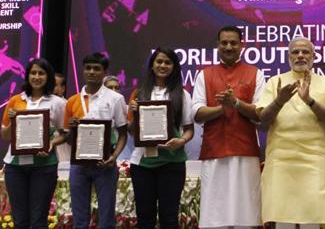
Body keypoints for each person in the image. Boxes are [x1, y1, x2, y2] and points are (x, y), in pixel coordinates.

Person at [256, 37, 325, 229]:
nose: (300, 55)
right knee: (283, 220)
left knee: (314, 218)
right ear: (289, 56)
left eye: (305, 52)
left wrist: (310, 100)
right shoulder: (275, 82)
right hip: (281, 161)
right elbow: (263, 119)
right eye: (296, 52)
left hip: (315, 161)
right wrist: (279, 101)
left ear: (313, 56)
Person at [192, 26, 265, 229]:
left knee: (246, 216)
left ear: (242, 45)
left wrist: (236, 104)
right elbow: (197, 113)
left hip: (245, 152)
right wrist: (221, 109)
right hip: (214, 151)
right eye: (224, 42)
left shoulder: (255, 73)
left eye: (233, 42)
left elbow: (260, 114)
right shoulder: (204, 75)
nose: (229, 47)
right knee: (215, 216)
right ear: (217, 45)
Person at [127, 48, 194, 229]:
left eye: (167, 62)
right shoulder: (138, 93)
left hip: (172, 163)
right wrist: (133, 113)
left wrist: (180, 141)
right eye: (159, 61)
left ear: (174, 67)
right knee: (144, 218)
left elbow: (189, 130)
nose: (162, 66)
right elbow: (132, 132)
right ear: (152, 65)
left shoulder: (183, 94)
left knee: (170, 218)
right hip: (142, 164)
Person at [63, 53, 128, 229]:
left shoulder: (115, 99)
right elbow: (68, 139)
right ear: (83, 70)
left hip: (105, 163)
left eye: (96, 68)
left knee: (106, 217)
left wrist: (113, 157)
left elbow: (123, 134)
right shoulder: (71, 101)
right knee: (79, 217)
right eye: (88, 68)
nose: (92, 72)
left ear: (104, 72)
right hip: (78, 165)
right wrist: (72, 129)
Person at [1, 58, 66, 228]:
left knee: (38, 219)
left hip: (44, 166)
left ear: (48, 77)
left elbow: (66, 133)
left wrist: (51, 144)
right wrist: (13, 121)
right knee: (19, 219)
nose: (37, 76)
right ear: (27, 76)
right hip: (15, 167)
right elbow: (5, 135)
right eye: (33, 73)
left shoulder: (58, 103)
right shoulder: (15, 100)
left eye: (41, 73)